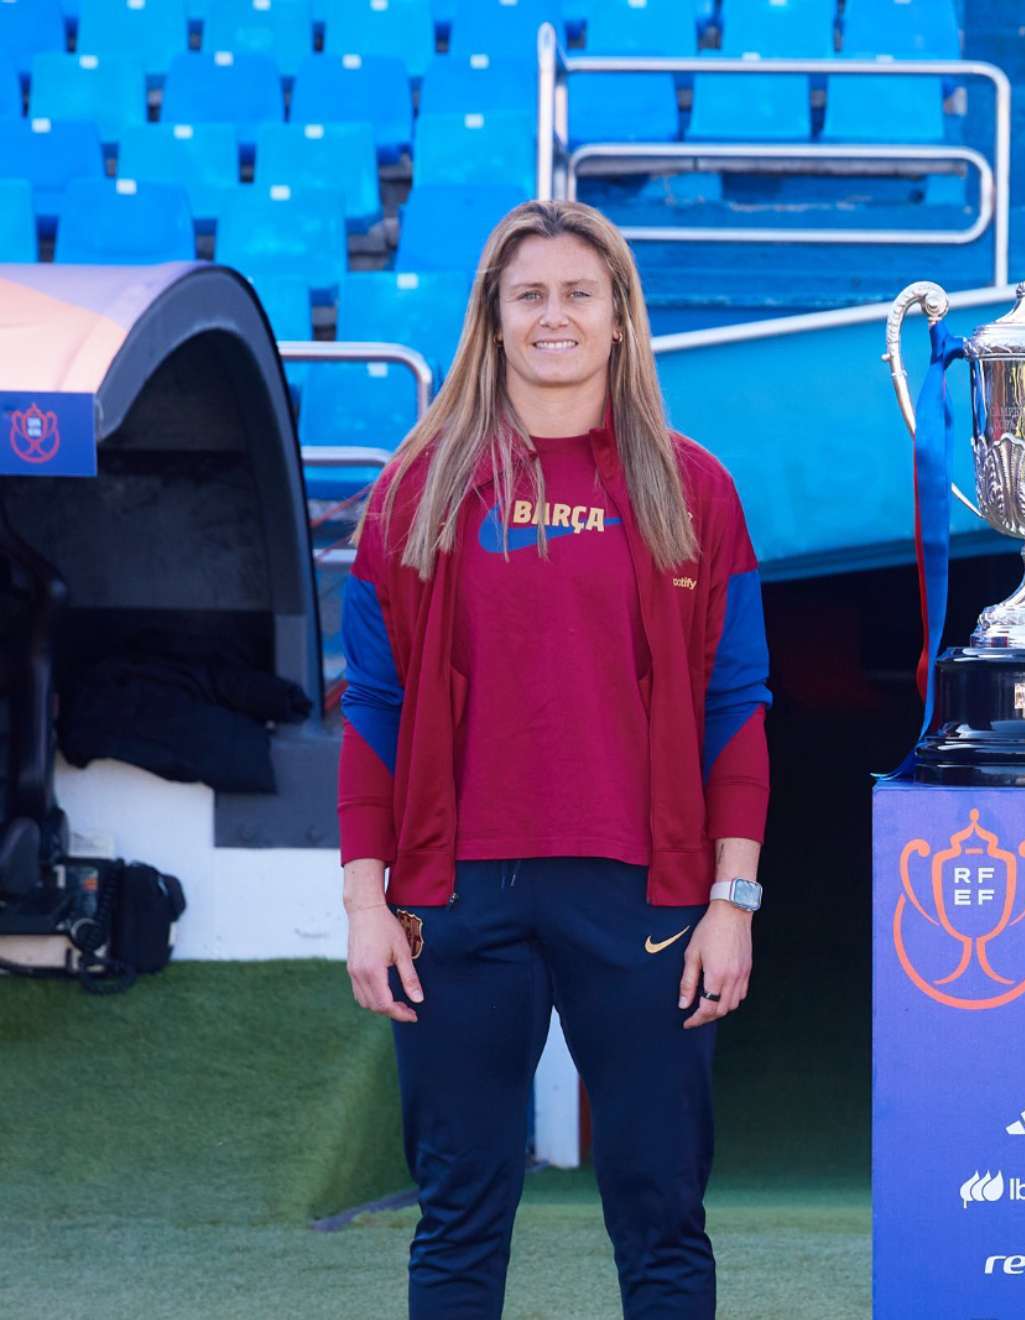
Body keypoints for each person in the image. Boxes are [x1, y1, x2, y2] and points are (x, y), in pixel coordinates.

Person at [336, 199, 771, 1319]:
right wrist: (362, 904)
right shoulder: (415, 489)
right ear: (492, 320)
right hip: (454, 897)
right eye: (529, 295)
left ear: (622, 318)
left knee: (661, 1210)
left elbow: (735, 707)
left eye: (581, 293)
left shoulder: (696, 489)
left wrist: (733, 899)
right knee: (460, 1214)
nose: (555, 316)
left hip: (649, 898)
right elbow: (374, 708)